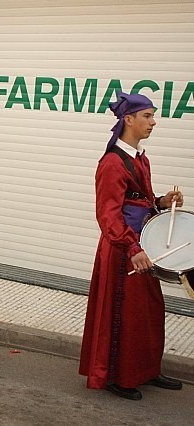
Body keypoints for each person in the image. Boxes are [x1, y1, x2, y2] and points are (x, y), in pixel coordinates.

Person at [79, 92, 184, 400]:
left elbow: (140, 200)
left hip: (141, 244)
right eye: (147, 116)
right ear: (129, 119)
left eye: (152, 116)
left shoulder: (141, 158)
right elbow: (108, 215)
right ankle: (117, 376)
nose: (153, 122)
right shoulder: (112, 163)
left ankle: (146, 369)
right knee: (124, 313)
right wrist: (132, 248)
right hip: (123, 249)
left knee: (148, 311)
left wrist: (162, 202)